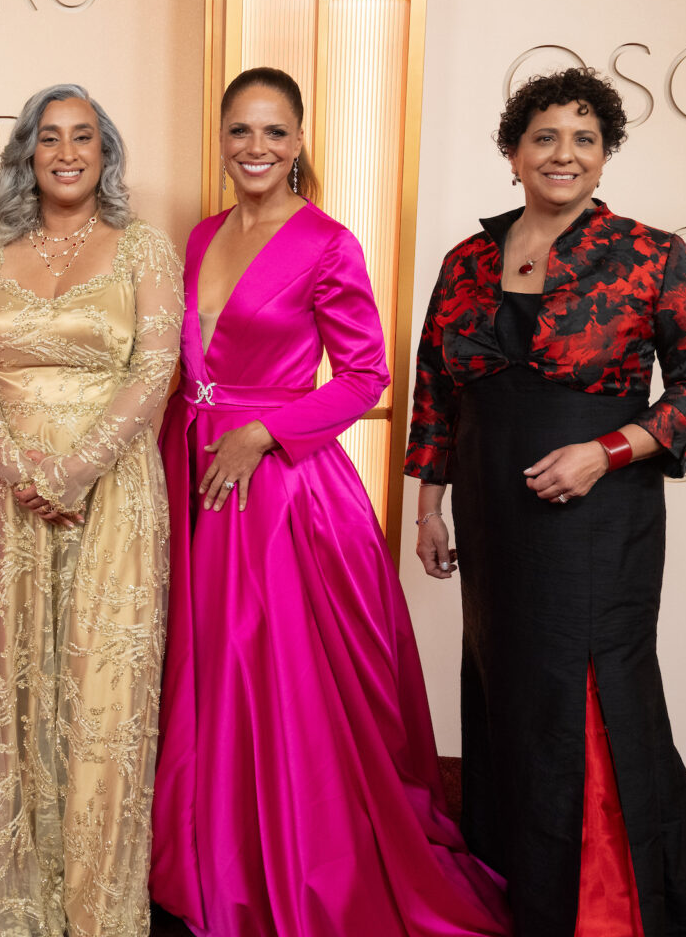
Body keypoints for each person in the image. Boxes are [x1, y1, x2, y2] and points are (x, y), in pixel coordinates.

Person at [149, 67, 511, 936]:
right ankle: (207, 847)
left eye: (274, 132)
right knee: (201, 668)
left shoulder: (328, 243)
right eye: (241, 130)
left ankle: (282, 853)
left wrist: (265, 433)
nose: (256, 148)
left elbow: (364, 377)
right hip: (194, 469)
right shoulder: (200, 238)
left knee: (270, 677)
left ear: (301, 139)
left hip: (279, 490)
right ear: (222, 136)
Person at [406, 67, 686, 935]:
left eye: (584, 140)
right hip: (493, 510)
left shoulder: (650, 252)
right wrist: (428, 505)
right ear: (512, 152)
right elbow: (435, 391)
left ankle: (606, 900)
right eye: (545, 137)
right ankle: (525, 881)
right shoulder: (467, 260)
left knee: (591, 685)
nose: (563, 155)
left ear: (605, 157)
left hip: (599, 513)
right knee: (511, 686)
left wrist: (607, 451)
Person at [0, 83, 181, 936]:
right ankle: (8, 877)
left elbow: (155, 369)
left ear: (106, 151)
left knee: (99, 690)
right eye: (50, 137)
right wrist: (14, 463)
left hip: (111, 487)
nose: (67, 152)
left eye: (84, 136)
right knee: (10, 678)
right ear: (26, 152)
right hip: (4, 489)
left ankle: (95, 896)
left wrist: (76, 470)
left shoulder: (145, 248)